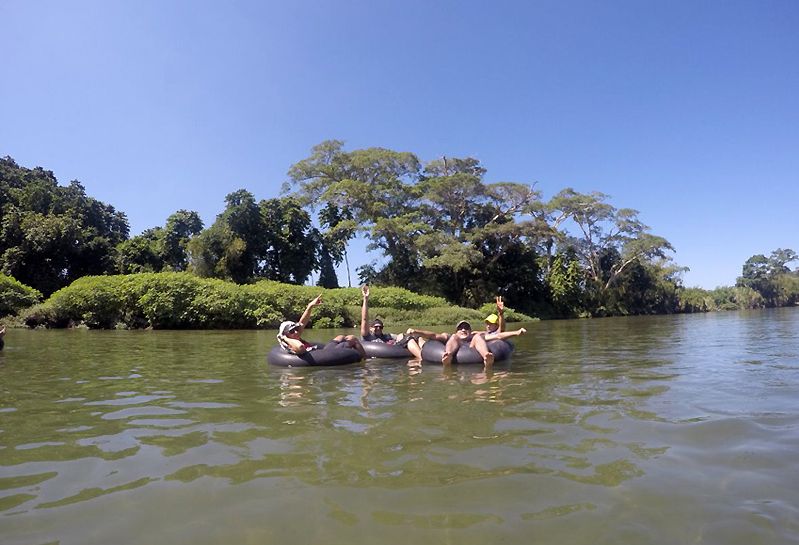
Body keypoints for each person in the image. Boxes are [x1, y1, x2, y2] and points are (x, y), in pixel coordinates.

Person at [360, 285, 438, 360]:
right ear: (370, 328)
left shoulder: (387, 336)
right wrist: (365, 299)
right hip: (382, 353)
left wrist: (409, 334)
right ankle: (422, 359)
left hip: (396, 349)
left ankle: (430, 353)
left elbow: (400, 336)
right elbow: (364, 319)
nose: (378, 328)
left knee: (413, 336)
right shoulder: (367, 336)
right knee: (408, 339)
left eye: (380, 327)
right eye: (376, 327)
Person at [277, 295, 366, 359]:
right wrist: (284, 338)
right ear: (285, 334)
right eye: (292, 331)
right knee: (352, 338)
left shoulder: (295, 336)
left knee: (340, 337)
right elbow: (300, 348)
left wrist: (310, 306)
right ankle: (365, 361)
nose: (296, 332)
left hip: (321, 351)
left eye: (296, 329)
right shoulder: (290, 343)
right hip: (324, 355)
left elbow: (302, 322)